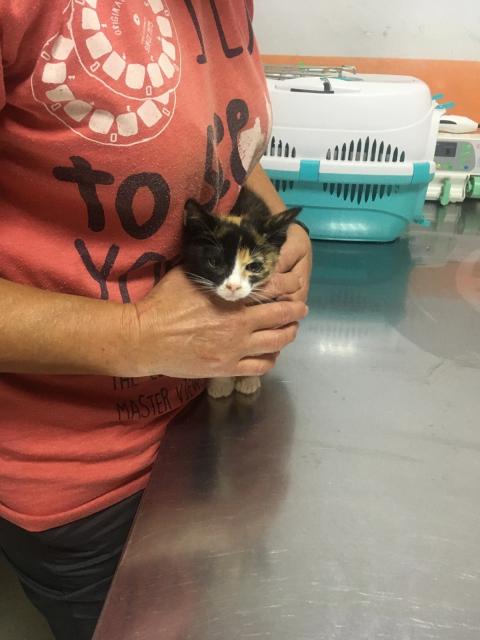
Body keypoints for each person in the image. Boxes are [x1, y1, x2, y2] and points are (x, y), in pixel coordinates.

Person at [0, 1, 311, 639]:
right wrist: (137, 336)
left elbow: (222, 145)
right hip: (85, 484)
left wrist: (277, 228)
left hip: (200, 431)